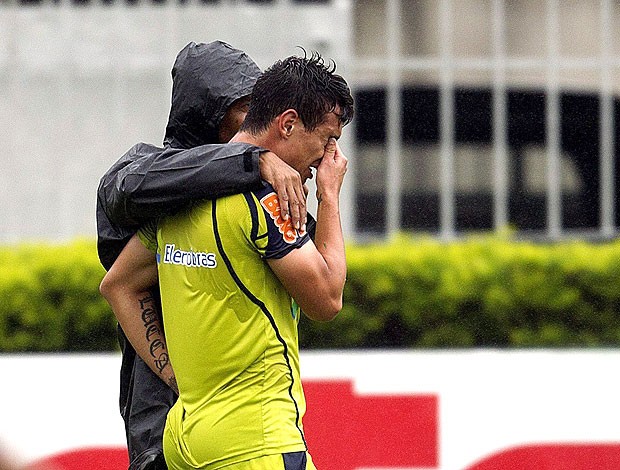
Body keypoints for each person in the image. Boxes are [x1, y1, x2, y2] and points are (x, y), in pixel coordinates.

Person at [100, 51, 354, 470]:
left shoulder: (175, 197)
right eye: (328, 139)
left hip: (185, 438)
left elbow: (117, 285)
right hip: (257, 442)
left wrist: (175, 375)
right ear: (287, 124)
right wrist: (330, 196)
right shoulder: (264, 200)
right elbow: (326, 299)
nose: (332, 155)